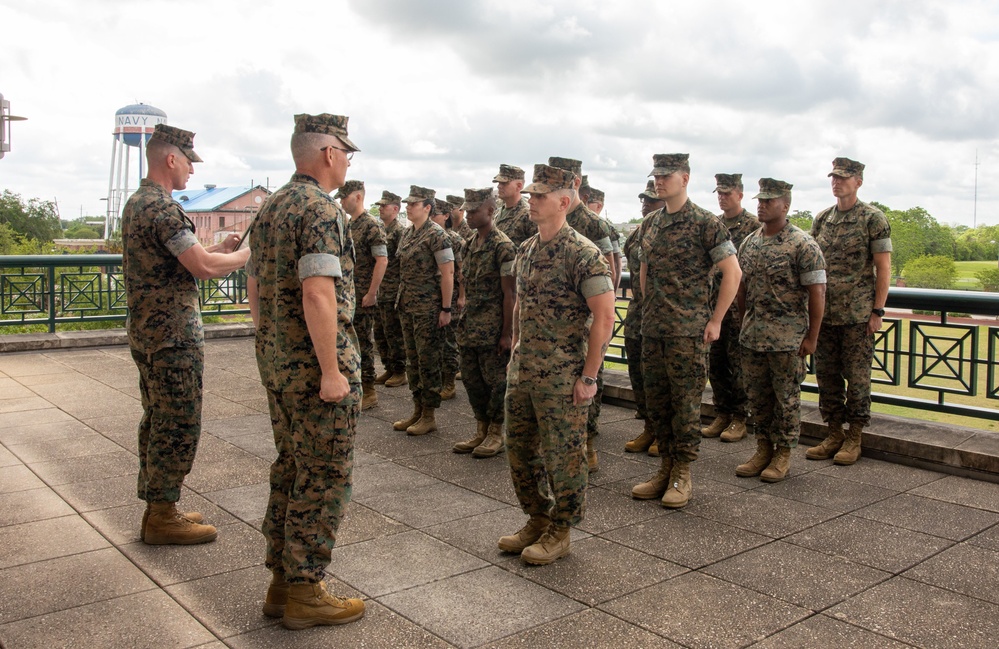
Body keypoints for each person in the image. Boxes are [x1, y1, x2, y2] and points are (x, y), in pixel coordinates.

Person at [245, 112, 365, 629]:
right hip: (317, 373)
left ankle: (280, 581)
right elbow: (318, 291)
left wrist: (269, 337)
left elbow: (253, 282)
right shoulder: (320, 209)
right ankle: (305, 590)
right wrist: (332, 370)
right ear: (329, 154)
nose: (347, 161)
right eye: (346, 152)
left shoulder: (272, 206)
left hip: (278, 365)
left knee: (291, 468)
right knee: (323, 476)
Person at [122, 123, 249, 546]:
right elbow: (203, 269)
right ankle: (162, 514)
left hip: (148, 330)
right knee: (177, 420)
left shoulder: (140, 202)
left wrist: (220, 249)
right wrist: (249, 253)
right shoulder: (162, 208)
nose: (192, 171)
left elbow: (187, 259)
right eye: (189, 162)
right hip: (171, 334)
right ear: (170, 158)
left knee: (157, 416)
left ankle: (160, 505)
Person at [498, 164, 615, 565]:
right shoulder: (527, 249)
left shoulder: (583, 253)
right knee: (519, 450)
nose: (532, 201)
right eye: (530, 194)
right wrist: (515, 347)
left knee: (564, 455)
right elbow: (520, 306)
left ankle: (561, 529)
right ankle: (537, 516)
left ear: (563, 201)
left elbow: (604, 317)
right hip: (525, 371)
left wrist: (589, 376)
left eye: (540, 196)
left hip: (563, 378)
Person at [631, 153, 741, 509]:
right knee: (658, 404)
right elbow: (643, 269)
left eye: (667, 176)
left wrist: (716, 320)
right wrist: (649, 306)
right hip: (654, 329)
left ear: (686, 178)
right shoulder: (651, 224)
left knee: (685, 406)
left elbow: (733, 273)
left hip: (687, 332)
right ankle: (664, 469)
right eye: (657, 176)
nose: (659, 182)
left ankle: (682, 474)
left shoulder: (705, 224)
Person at [734, 178, 826, 482]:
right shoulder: (750, 241)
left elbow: (817, 293)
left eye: (768, 201)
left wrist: (811, 337)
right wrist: (742, 322)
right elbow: (742, 287)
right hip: (753, 336)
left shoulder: (803, 244)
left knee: (786, 398)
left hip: (787, 339)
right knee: (757, 397)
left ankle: (783, 453)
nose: (761, 205)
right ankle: (763, 448)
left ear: (785, 205)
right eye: (759, 201)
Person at [807, 157, 892, 465]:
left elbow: (883, 268)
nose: (836, 182)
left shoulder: (873, 218)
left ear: (858, 181)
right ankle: (833, 433)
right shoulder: (822, 219)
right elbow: (813, 268)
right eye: (833, 177)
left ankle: (854, 436)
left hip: (857, 317)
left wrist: (877, 311)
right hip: (825, 315)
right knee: (826, 377)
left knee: (857, 380)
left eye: (843, 177)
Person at [547, 156, 616, 473]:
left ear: (575, 183)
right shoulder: (550, 218)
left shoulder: (593, 224)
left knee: (589, 383)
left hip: (586, 320)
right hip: (553, 324)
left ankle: (588, 444)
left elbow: (611, 276)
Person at [451, 187, 517, 458]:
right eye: (466, 210)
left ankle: (495, 433)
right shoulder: (469, 244)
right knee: (472, 380)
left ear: (490, 211)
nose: (467, 215)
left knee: (496, 382)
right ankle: (481, 428)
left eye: (474, 210)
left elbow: (510, 293)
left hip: (492, 329)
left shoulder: (503, 246)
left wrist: (507, 334)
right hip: (470, 327)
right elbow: (464, 280)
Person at [391, 186, 454, 436]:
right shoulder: (408, 233)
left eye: (413, 204)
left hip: (428, 308)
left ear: (428, 207)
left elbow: (448, 273)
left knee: (428, 361)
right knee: (413, 360)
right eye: (407, 203)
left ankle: (429, 415)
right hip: (408, 305)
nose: (408, 207)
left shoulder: (438, 235)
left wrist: (446, 308)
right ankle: (417, 410)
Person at [702, 173, 759, 442]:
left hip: (740, 307)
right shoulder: (714, 225)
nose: (723, 198)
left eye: (727, 193)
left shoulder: (753, 225)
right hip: (715, 307)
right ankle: (722, 413)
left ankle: (740, 417)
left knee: (738, 365)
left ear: (740, 194)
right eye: (719, 194)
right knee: (716, 362)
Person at [337, 180, 387, 410]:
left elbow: (382, 260)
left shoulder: (371, 225)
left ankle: (369, 391)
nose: (341, 201)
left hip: (363, 296)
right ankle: (353, 385)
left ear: (357, 197)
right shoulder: (349, 224)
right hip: (348, 295)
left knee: (364, 343)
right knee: (349, 343)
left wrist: (372, 292)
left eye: (344, 197)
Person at [622, 180, 665, 455]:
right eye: (643, 201)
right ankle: (649, 427)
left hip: (662, 315)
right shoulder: (637, 234)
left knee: (660, 379)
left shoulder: (670, 233)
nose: (645, 205)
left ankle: (663, 433)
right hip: (638, 311)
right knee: (638, 374)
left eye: (650, 200)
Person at [372, 190, 408, 388]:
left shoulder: (400, 232)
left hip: (393, 290)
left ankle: (400, 370)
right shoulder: (381, 230)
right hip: (380, 289)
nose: (380, 209)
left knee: (394, 333)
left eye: (384, 206)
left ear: (395, 209)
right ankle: (389, 367)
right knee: (381, 332)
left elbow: (403, 263)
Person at [434, 198, 464, 400]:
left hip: (452, 297)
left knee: (449, 341)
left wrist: (462, 295)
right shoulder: (431, 236)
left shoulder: (455, 240)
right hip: (435, 295)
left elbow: (461, 271)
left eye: (435, 213)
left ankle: (449, 383)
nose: (431, 217)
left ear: (445, 216)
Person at [492, 164, 537, 247]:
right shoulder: (497, 211)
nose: (499, 186)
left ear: (519, 186)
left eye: (504, 183)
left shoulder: (528, 214)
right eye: (499, 183)